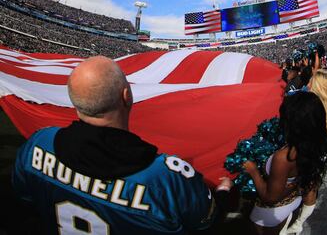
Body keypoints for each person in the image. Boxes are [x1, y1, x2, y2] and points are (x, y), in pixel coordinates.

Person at [13, 56, 217, 234]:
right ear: (126, 96)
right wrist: (223, 192)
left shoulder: (38, 144)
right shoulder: (166, 178)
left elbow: (24, 200)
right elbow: (205, 223)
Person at [222, 92, 327, 235]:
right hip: (293, 203)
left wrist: (253, 170)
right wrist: (294, 185)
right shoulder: (319, 141)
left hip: (270, 215)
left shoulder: (284, 158)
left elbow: (270, 198)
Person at [286, 69, 327, 234]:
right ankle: (299, 223)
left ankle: (295, 222)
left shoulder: (312, 108)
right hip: (320, 151)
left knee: (300, 187)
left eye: (312, 82)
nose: (308, 84)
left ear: (320, 87)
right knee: (312, 186)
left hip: (308, 152)